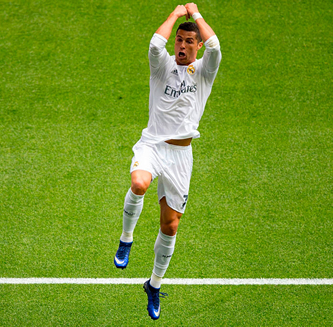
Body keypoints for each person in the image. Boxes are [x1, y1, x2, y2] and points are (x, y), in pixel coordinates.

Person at [113, 3, 222, 320]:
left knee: (170, 225)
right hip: (152, 145)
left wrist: (196, 14)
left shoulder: (204, 70)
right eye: (180, 40)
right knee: (139, 183)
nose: (183, 46)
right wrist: (176, 14)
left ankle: (154, 284)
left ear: (197, 46)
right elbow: (153, 43)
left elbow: (215, 46)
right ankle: (126, 240)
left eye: (190, 42)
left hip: (181, 156)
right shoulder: (161, 66)